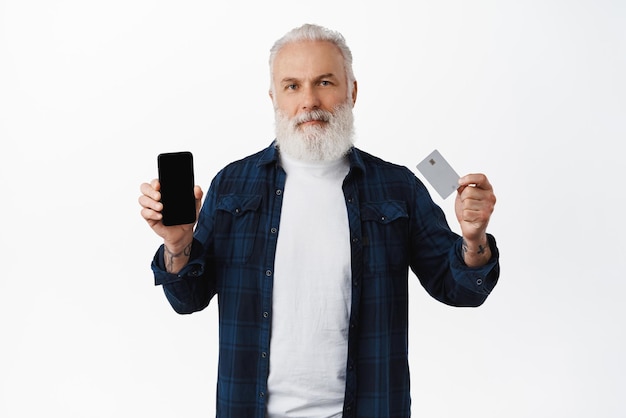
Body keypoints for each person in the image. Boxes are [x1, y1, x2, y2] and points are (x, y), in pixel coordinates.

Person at [139, 23, 499, 418]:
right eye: (292, 86)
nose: (309, 100)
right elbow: (188, 299)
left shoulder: (397, 188)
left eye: (324, 82)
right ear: (273, 97)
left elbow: (461, 289)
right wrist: (177, 246)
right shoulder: (231, 185)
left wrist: (473, 240)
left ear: (352, 91)